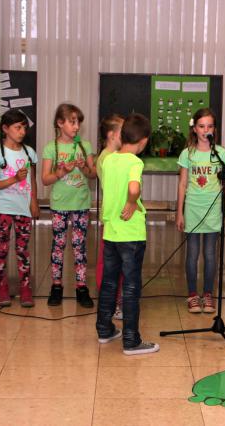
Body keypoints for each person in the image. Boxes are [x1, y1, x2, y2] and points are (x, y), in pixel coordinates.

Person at [96, 113, 159, 356]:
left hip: (111, 231)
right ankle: (131, 340)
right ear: (143, 141)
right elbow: (133, 187)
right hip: (131, 233)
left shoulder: (108, 159)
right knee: (131, 286)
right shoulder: (135, 162)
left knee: (109, 282)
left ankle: (104, 329)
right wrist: (132, 202)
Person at [176, 108, 225, 313]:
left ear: (214, 129)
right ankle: (192, 295)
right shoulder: (187, 153)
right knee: (192, 254)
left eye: (209, 126)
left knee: (210, 254)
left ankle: (208, 294)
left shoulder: (221, 153)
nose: (205, 130)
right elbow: (182, 183)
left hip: (213, 209)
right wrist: (179, 212)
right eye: (201, 126)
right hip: (193, 209)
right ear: (194, 128)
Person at [41, 103, 97, 307]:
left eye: (78, 123)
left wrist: (83, 168)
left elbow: (93, 174)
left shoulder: (85, 146)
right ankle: (56, 286)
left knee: (79, 246)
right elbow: (45, 179)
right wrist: (61, 172)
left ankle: (81, 287)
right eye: (72, 122)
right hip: (59, 205)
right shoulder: (50, 148)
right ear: (60, 123)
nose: (76, 127)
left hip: (81, 203)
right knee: (58, 245)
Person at [0, 109, 39, 308]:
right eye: (18, 127)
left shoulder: (29, 152)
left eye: (24, 127)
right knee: (1, 249)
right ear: (5, 129)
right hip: (3, 209)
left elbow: (32, 179)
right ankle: (1, 288)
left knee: (23, 250)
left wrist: (33, 202)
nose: (22, 132)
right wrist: (14, 179)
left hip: (23, 209)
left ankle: (25, 289)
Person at [95, 113, 125, 318]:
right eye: (123, 131)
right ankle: (109, 301)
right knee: (108, 263)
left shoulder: (117, 156)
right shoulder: (106, 158)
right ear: (112, 135)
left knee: (120, 262)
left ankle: (118, 299)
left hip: (119, 218)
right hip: (112, 218)